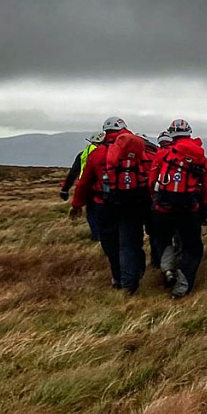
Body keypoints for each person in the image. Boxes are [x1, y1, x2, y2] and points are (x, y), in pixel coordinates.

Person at [70, 118, 151, 293]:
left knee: (111, 243)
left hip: (105, 204)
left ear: (105, 133)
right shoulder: (138, 151)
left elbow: (84, 183)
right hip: (133, 204)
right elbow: (148, 174)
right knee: (130, 243)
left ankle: (119, 278)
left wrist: (77, 204)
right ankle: (131, 280)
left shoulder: (97, 153)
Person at [150, 119, 207, 299]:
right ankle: (182, 286)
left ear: (171, 133)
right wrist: (206, 203)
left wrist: (155, 200)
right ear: (190, 133)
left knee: (162, 239)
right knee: (193, 248)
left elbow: (152, 180)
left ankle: (167, 268)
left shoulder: (163, 153)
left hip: (163, 208)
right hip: (188, 208)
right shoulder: (199, 155)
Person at [62, 131, 104, 240]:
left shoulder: (83, 155)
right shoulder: (109, 153)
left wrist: (65, 189)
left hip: (88, 189)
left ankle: (97, 237)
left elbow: (73, 173)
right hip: (106, 188)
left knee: (92, 213)